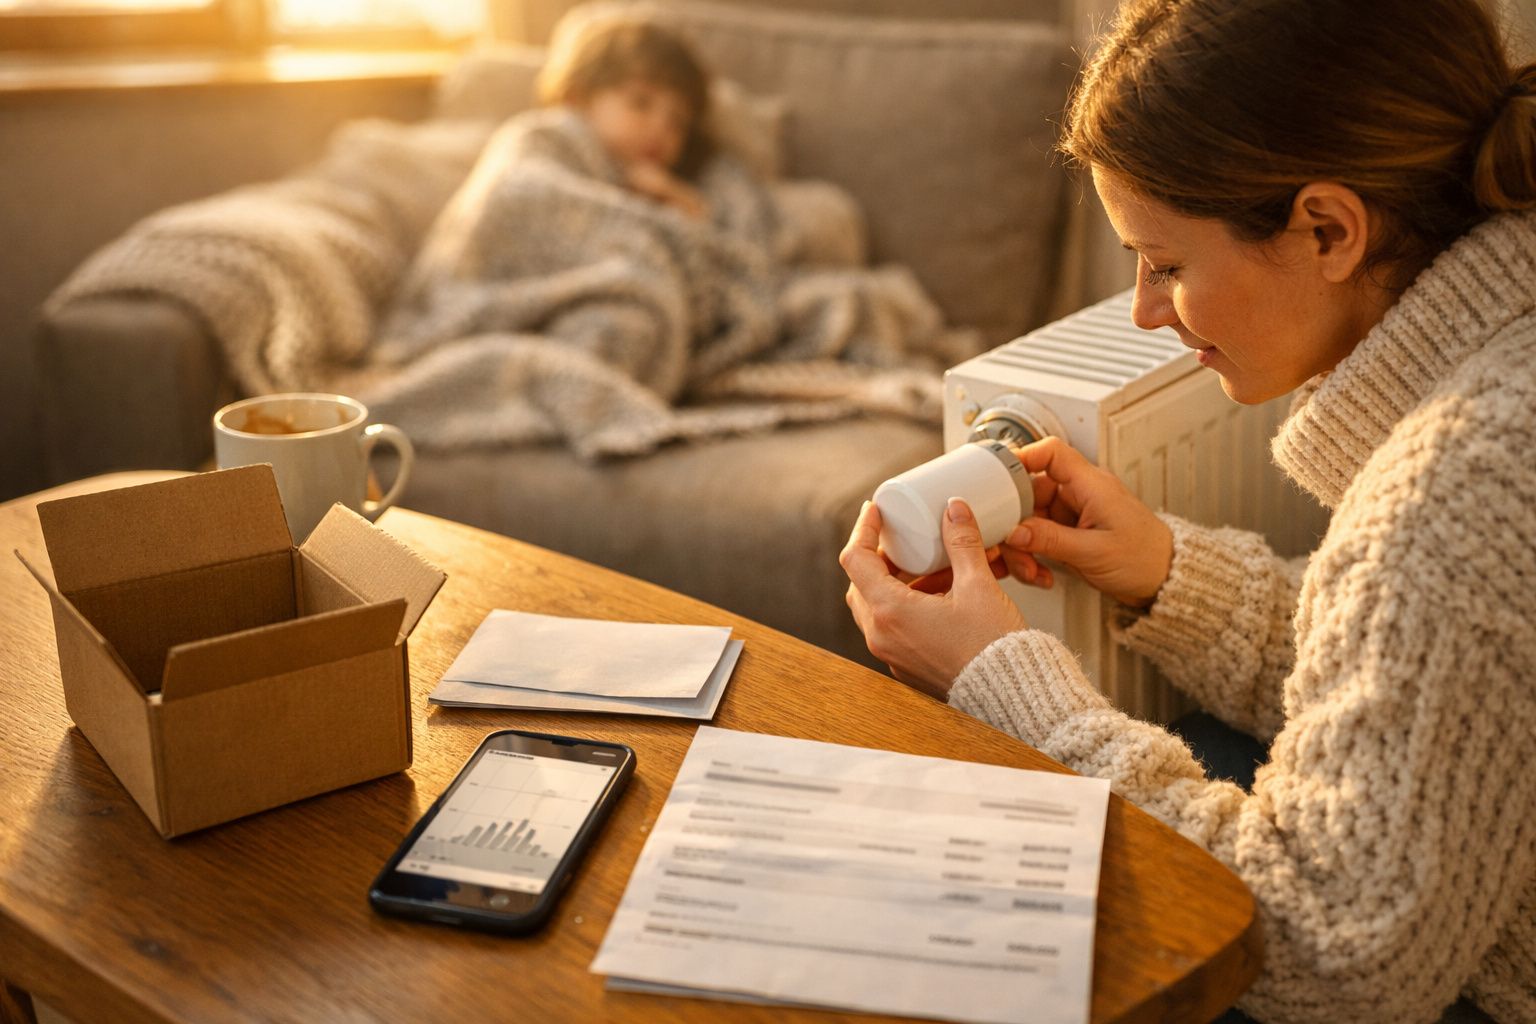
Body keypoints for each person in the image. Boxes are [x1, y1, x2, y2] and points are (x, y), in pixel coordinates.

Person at [839, 1, 1536, 1021]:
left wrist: (1009, 687)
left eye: (1165, 264)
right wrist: (1167, 570)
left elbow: (1332, 958)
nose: (1143, 311)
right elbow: (1442, 680)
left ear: (1328, 228)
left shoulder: (1458, 485)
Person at [536, 16, 713, 220]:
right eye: (641, 103)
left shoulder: (671, 187)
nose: (660, 128)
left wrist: (682, 204)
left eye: (678, 122)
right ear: (577, 97)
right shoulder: (554, 142)